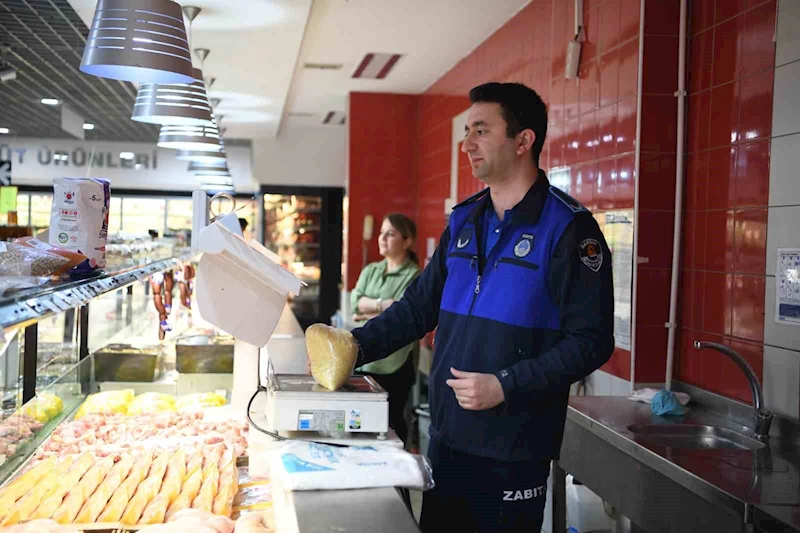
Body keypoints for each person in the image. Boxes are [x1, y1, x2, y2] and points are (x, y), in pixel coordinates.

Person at [347, 82, 615, 532]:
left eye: (481, 130)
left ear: (523, 140)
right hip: (448, 439)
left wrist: (506, 384)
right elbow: (417, 309)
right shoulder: (464, 219)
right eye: (466, 130)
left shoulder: (570, 229)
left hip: (514, 448)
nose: (466, 143)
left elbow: (591, 342)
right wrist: (349, 348)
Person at [350, 213, 421, 444]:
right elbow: (354, 302)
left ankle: (398, 475)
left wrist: (366, 310)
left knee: (390, 423)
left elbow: (400, 315)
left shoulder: (415, 275)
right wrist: (382, 304)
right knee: (359, 421)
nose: (382, 238)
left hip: (394, 364)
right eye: (381, 233)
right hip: (363, 360)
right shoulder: (371, 270)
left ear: (407, 241)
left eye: (390, 234)